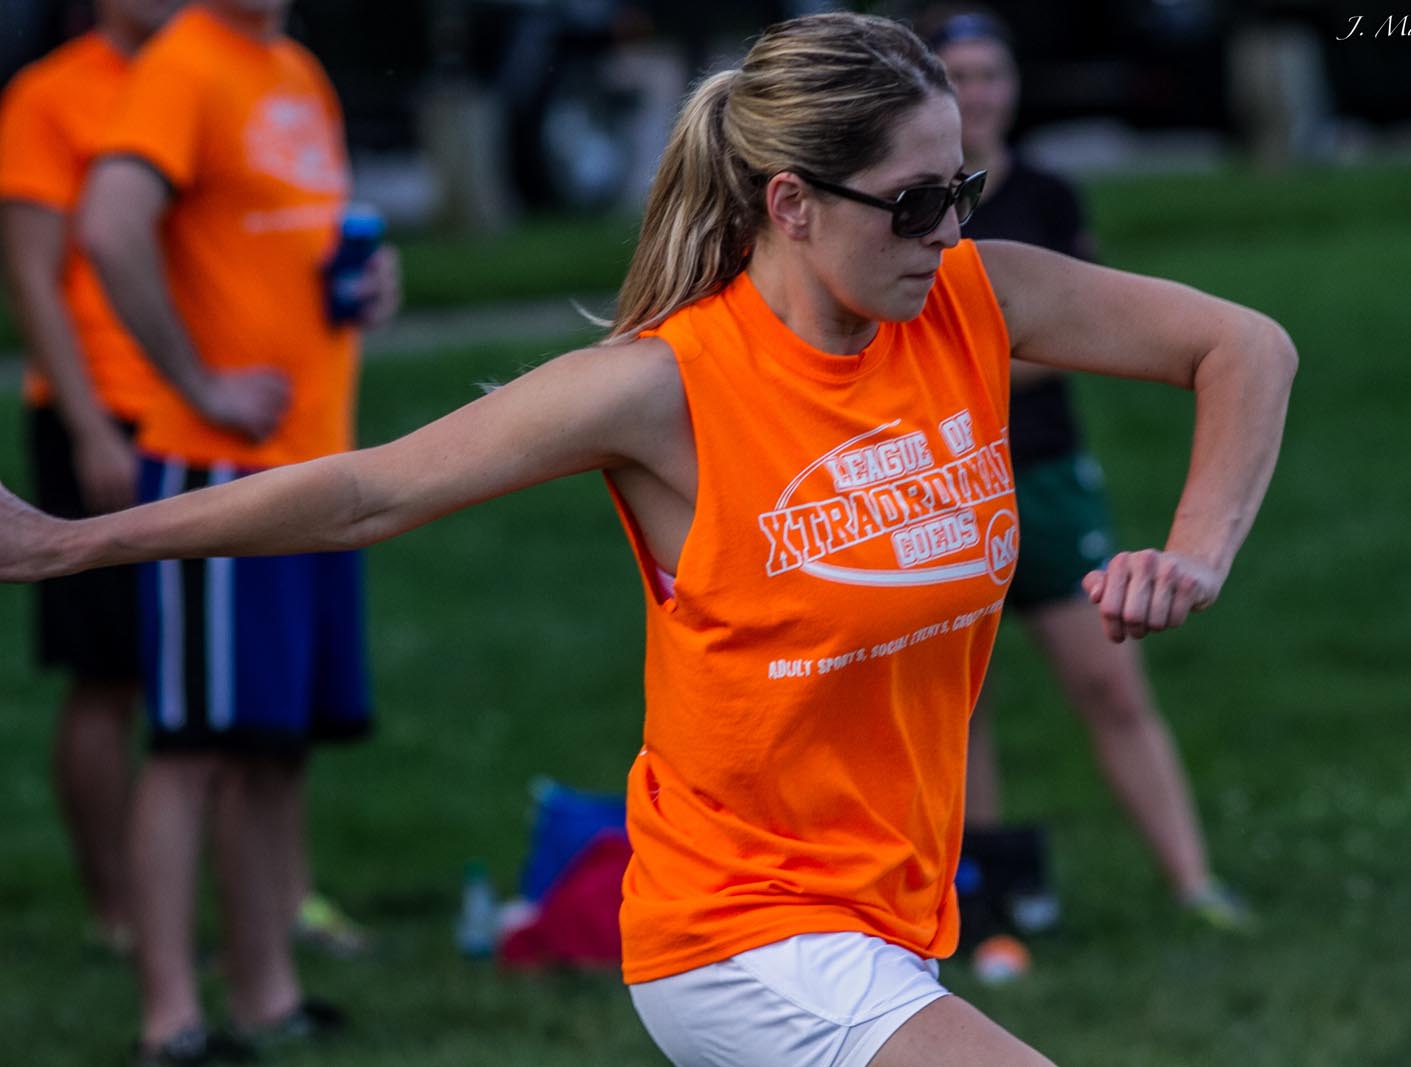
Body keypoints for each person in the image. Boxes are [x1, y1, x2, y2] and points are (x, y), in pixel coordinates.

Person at [4, 13, 1295, 1066]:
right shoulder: (665, 386)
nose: (947, 229)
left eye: (959, 189)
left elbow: (1243, 345)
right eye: (912, 203)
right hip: (742, 930)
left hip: (892, 912)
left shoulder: (973, 300)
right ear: (792, 202)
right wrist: (66, 544)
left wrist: (1195, 550)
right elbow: (364, 494)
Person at [73, 0, 398, 1060]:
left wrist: (369, 284)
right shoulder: (184, 63)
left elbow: (293, 238)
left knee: (274, 742)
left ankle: (266, 992)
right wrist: (198, 380)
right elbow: (109, 223)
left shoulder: (294, 67)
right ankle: (170, 1014)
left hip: (315, 464)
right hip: (217, 466)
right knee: (193, 744)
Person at [924, 6, 1253, 930]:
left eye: (992, 74)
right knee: (957, 704)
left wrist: (945, 376)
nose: (978, 94)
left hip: (1043, 474)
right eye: (958, 76)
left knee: (1110, 681)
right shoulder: (906, 208)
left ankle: (1192, 880)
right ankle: (979, 895)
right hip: (939, 488)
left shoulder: (1047, 197)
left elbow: (1078, 337)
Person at [0, 0, 184, 957]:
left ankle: (249, 895)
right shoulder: (51, 95)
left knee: (214, 683)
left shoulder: (202, 74)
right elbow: (32, 273)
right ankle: (114, 904)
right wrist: (85, 425)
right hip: (102, 412)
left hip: (201, 415)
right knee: (108, 674)